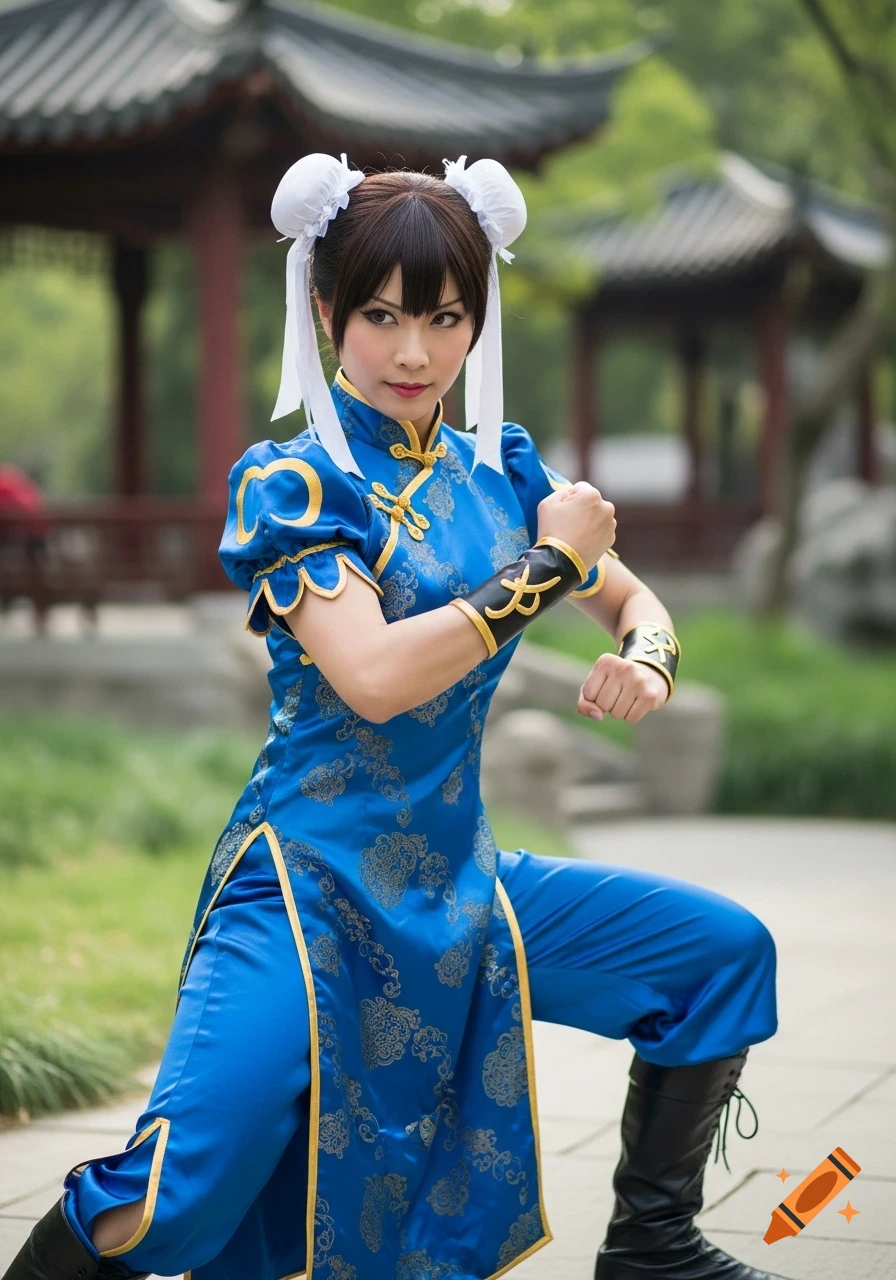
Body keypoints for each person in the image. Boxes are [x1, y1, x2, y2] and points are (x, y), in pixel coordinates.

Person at [4, 155, 790, 1280]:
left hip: (461, 882)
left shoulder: (498, 471)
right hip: (308, 886)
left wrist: (650, 655)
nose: (414, 352)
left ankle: (652, 1246)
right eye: (379, 315)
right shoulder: (295, 482)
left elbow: (626, 588)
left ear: (477, 318)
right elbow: (372, 673)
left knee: (718, 954)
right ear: (325, 312)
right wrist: (544, 566)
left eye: (443, 317)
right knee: (166, 1198)